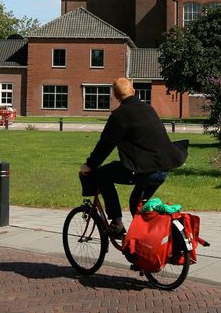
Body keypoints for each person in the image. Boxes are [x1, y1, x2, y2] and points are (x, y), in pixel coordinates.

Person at [79, 77, 188, 238]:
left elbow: (105, 145)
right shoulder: (148, 109)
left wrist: (89, 165)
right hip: (163, 167)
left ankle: (117, 223)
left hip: (145, 169)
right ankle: (146, 245)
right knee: (137, 206)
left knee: (102, 174)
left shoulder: (119, 116)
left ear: (115, 96)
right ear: (134, 91)